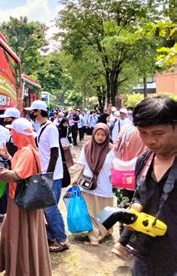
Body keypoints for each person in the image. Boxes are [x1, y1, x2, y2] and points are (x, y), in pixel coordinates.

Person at [112, 97, 177, 275]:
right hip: (145, 255)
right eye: (143, 133)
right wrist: (137, 204)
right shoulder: (144, 159)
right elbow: (141, 195)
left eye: (158, 133)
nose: (150, 141)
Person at [0, 118, 52, 276]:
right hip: (26, 201)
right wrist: (8, 157)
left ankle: (22, 270)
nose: (10, 134)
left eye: (12, 131)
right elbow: (21, 168)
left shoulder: (26, 152)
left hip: (21, 203)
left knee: (19, 237)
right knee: (26, 237)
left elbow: (17, 175)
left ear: (20, 134)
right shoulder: (26, 150)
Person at [26, 100, 69, 252]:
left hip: (52, 176)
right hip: (45, 173)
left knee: (50, 209)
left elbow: (54, 152)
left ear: (39, 111)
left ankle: (62, 240)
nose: (31, 113)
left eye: (33, 111)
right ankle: (53, 236)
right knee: (49, 208)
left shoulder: (51, 129)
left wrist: (48, 175)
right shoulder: (42, 127)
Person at [74, 123, 115, 245]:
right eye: (98, 134)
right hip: (88, 184)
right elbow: (81, 164)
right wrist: (76, 178)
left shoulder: (112, 149)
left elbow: (115, 167)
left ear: (107, 136)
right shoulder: (87, 147)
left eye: (103, 135)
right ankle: (93, 233)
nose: (100, 137)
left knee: (104, 211)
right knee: (89, 211)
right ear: (94, 134)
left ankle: (103, 231)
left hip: (105, 185)